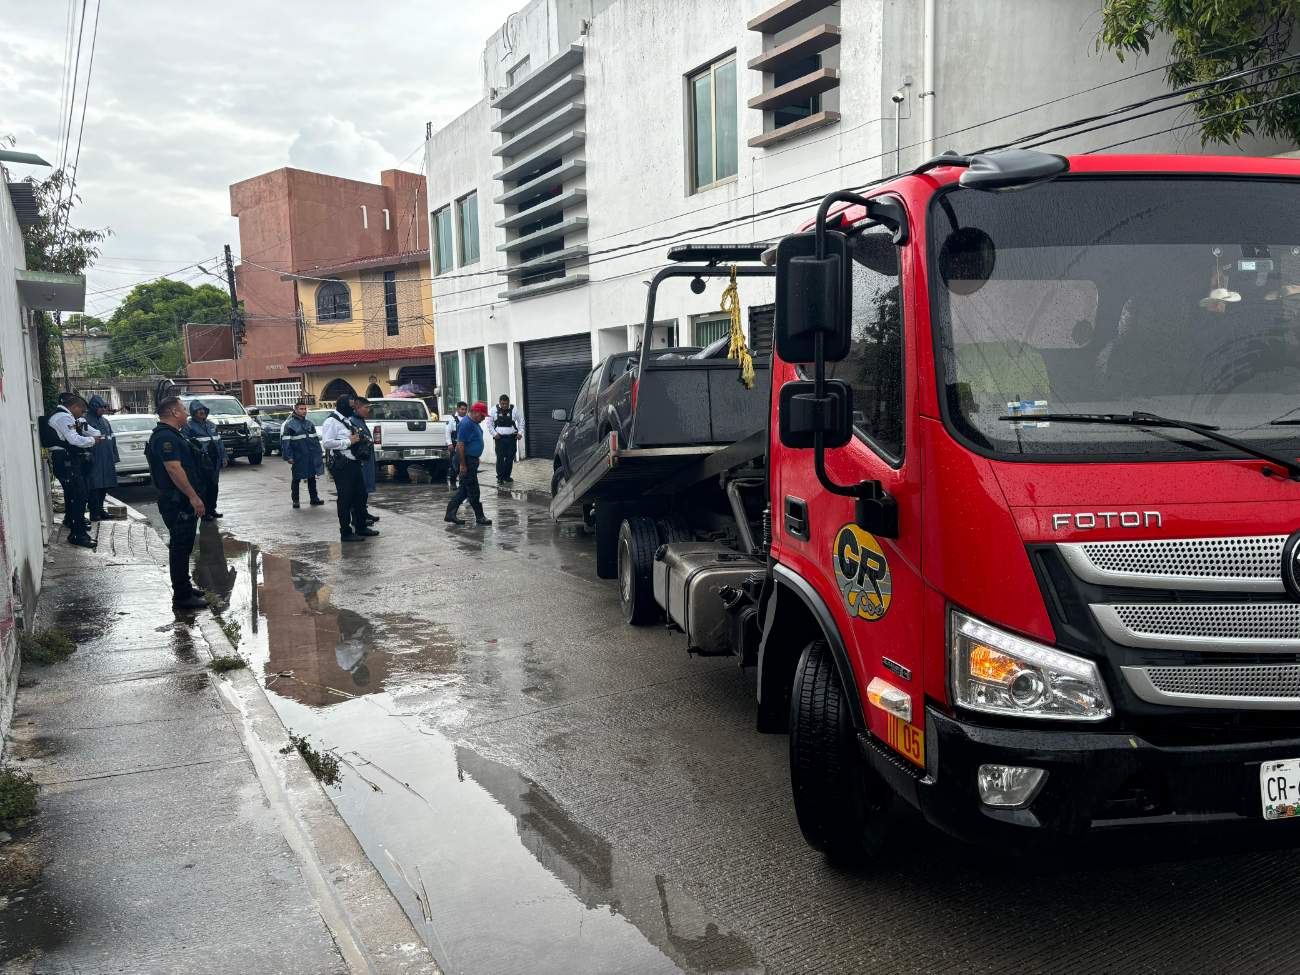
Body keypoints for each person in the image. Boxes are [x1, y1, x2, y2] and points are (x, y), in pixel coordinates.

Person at [144, 396, 210, 610]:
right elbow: (174, 469)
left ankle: (184, 586)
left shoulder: (172, 435)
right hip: (177, 500)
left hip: (179, 499)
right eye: (183, 409)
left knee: (185, 544)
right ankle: (181, 596)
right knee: (181, 546)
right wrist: (193, 496)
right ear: (174, 413)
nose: (187, 413)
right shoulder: (165, 437)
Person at [321, 394, 379, 543]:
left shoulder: (347, 421)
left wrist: (360, 439)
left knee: (359, 496)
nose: (353, 409)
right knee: (345, 499)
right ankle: (345, 532)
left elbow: (353, 437)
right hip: (342, 465)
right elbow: (327, 443)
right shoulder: (331, 422)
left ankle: (360, 527)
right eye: (351, 406)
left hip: (354, 463)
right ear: (343, 406)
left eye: (354, 407)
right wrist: (348, 441)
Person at [48, 394, 100, 548]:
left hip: (67, 459)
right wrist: (92, 440)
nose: (82, 415)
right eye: (82, 411)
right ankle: (78, 533)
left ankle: (75, 527)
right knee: (79, 495)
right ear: (75, 407)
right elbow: (74, 439)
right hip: (65, 460)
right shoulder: (64, 418)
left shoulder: (62, 416)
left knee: (75, 495)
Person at [444, 401, 492, 526]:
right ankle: (480, 517)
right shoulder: (466, 424)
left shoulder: (474, 423)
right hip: (465, 460)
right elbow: (460, 445)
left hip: (471, 460)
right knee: (473, 489)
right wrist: (463, 465)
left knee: (464, 490)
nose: (483, 419)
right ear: (475, 413)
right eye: (482, 416)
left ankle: (450, 514)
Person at [184, 399, 228, 520]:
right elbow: (188, 445)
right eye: (199, 410)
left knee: (214, 485)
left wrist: (224, 457)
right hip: (201, 462)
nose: (202, 411)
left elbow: (219, 442)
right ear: (193, 412)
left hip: (214, 460)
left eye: (203, 409)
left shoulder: (211, 425)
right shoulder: (189, 426)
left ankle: (212, 508)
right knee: (203, 486)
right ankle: (204, 512)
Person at [280, 400, 326, 508]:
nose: (304, 411)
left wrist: (318, 453)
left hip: (310, 455)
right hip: (298, 456)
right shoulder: (290, 425)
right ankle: (295, 500)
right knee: (296, 478)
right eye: (301, 409)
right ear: (296, 410)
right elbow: (286, 442)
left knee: (311, 477)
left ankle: (314, 498)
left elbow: (314, 440)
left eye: (305, 409)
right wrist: (288, 456)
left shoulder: (309, 424)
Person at [85, 395, 119, 521]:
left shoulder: (105, 422)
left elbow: (112, 439)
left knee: (104, 485)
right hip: (94, 458)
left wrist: (114, 457)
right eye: (101, 408)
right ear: (94, 407)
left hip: (106, 458)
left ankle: (100, 509)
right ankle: (94, 512)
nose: (104, 410)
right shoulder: (85, 420)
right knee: (94, 486)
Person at [351, 397, 380, 526]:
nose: (369, 410)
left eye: (369, 407)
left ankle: (364, 512)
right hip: (360, 460)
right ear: (357, 408)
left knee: (365, 488)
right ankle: (358, 517)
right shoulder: (353, 421)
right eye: (366, 408)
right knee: (359, 490)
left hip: (367, 458)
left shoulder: (360, 420)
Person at [487, 394, 524, 484]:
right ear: (499, 403)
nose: (504, 406)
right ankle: (500, 477)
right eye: (502, 404)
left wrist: (520, 433)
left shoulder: (514, 409)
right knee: (500, 457)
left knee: (510, 457)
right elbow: (488, 422)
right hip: (500, 438)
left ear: (508, 403)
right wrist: (494, 434)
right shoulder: (494, 409)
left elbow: (521, 420)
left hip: (511, 438)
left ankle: (507, 476)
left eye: (506, 404)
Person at [444, 401, 467, 490]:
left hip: (465, 445)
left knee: (464, 463)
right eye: (462, 409)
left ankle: (462, 482)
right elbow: (447, 432)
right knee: (454, 464)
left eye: (465, 409)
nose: (464, 411)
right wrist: (449, 444)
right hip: (455, 444)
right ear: (457, 409)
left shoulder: (468, 419)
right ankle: (453, 482)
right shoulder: (451, 419)